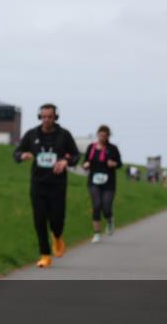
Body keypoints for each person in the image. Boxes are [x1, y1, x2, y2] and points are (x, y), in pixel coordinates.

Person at [14, 104, 81, 267]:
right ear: (39, 117)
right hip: (38, 184)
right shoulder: (32, 134)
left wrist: (65, 161)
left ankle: (57, 237)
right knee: (39, 220)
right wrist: (23, 155)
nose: (46, 120)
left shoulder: (64, 135)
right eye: (43, 116)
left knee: (57, 219)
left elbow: (76, 155)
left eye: (50, 117)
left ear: (55, 117)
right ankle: (44, 254)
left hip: (57, 184)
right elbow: (16, 153)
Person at [80, 125, 123, 243]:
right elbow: (85, 162)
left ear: (108, 136)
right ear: (97, 135)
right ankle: (97, 234)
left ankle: (109, 221)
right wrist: (85, 165)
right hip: (93, 181)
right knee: (97, 205)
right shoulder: (91, 147)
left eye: (105, 136)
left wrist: (113, 164)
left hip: (109, 182)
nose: (102, 138)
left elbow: (120, 164)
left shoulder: (113, 149)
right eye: (100, 135)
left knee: (106, 207)